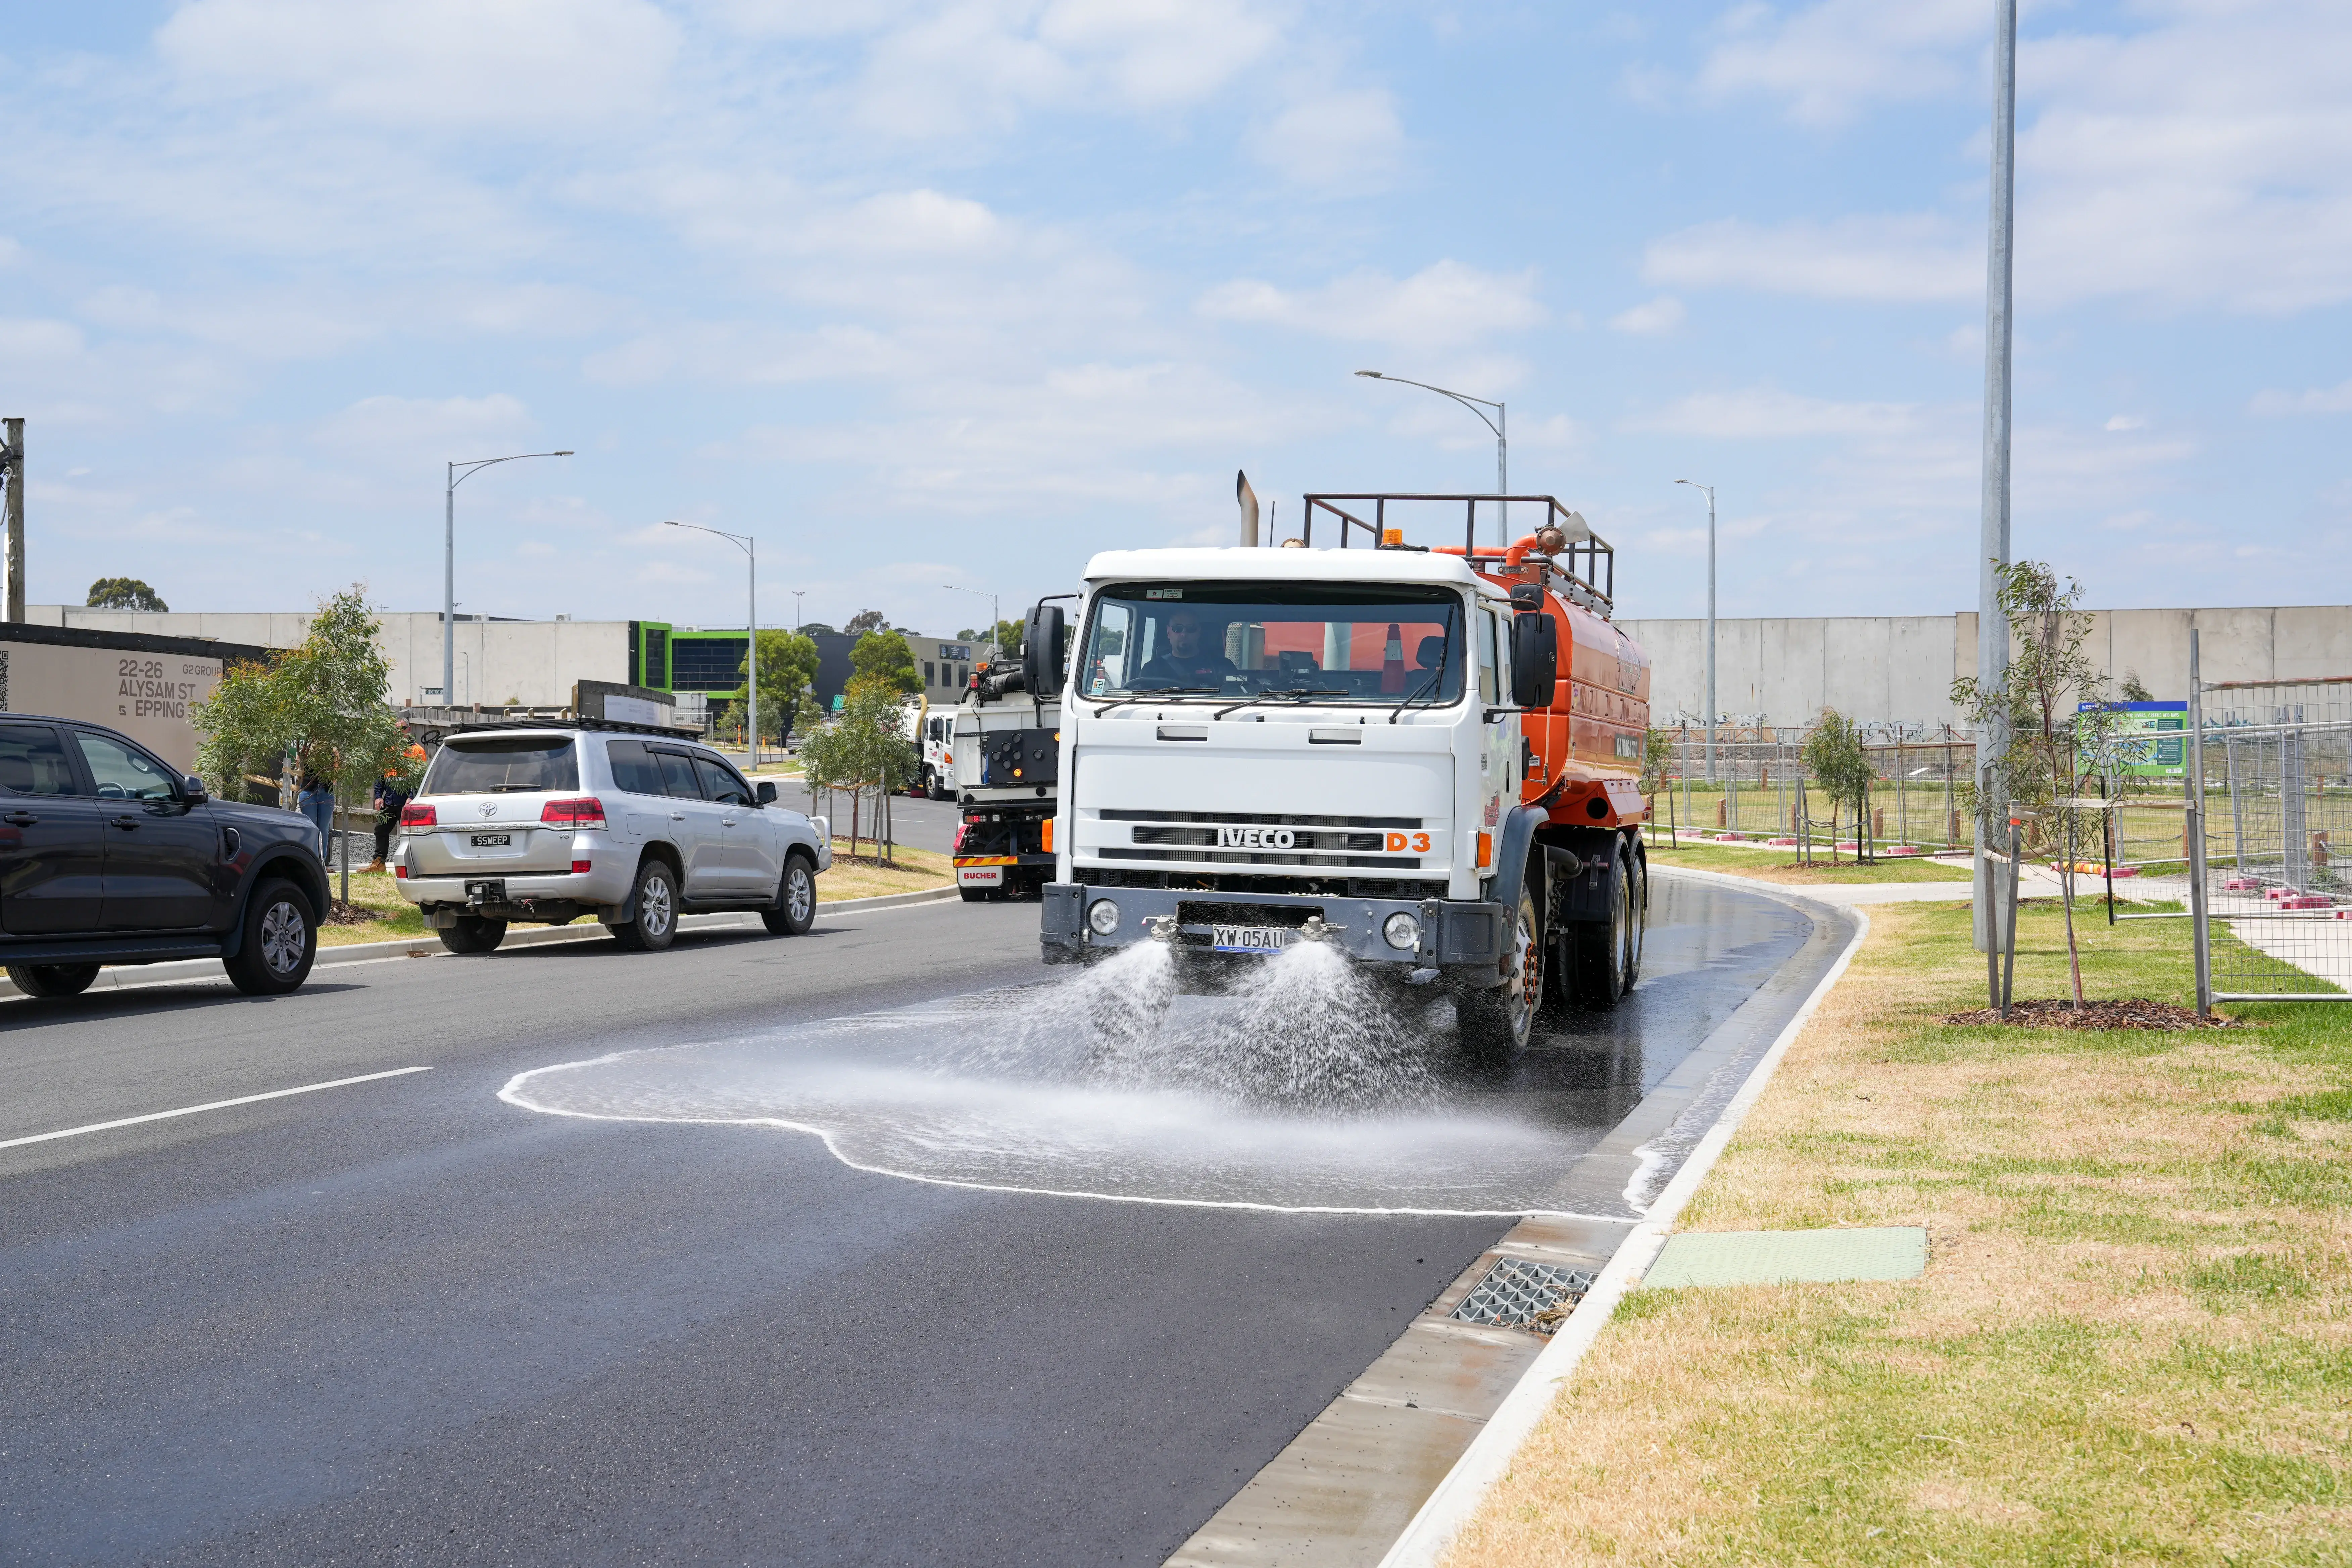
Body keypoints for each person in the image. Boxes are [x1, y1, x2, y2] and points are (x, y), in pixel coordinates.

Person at [1138, 609, 1239, 688]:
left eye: (1191, 628)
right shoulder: (1151, 671)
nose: (1184, 634)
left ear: (1199, 632)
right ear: (1169, 632)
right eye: (1178, 628)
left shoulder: (1222, 667)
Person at [367, 757, 415, 874]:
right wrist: (378, 796)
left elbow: (419, 778)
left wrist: (412, 797)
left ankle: (415, 865)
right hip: (390, 801)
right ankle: (379, 864)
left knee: (412, 835)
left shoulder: (417, 750)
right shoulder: (388, 750)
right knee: (380, 830)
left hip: (407, 802)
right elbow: (380, 777)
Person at [296, 766, 335, 864]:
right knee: (311, 828)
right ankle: (309, 863)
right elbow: (299, 765)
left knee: (324, 829)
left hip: (326, 793)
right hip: (308, 791)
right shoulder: (307, 750)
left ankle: (322, 865)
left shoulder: (332, 750)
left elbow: (336, 772)